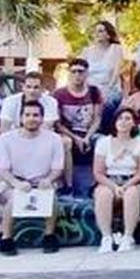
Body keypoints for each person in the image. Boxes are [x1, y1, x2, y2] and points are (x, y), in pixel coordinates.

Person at [0, 99, 64, 256]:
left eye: (36, 115)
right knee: (13, 198)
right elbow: (3, 170)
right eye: (28, 115)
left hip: (43, 181)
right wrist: (16, 183)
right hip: (13, 182)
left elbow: (57, 169)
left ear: (42, 118)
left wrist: (48, 180)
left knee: (49, 195)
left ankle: (49, 235)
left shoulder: (54, 139)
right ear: (20, 118)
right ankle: (6, 238)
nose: (32, 118)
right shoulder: (5, 140)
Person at [92, 106, 140, 253]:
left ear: (134, 123)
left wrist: (125, 186)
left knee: (131, 194)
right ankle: (106, 237)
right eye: (120, 118)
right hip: (109, 180)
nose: (123, 122)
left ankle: (128, 236)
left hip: (132, 180)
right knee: (103, 194)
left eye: (128, 119)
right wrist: (114, 186)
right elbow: (98, 173)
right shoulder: (104, 142)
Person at [53, 58, 104, 194]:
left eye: (80, 71)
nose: (77, 75)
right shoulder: (59, 94)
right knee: (66, 143)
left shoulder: (94, 92)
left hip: (89, 133)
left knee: (102, 142)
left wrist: (87, 137)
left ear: (86, 73)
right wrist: (76, 138)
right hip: (68, 133)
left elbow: (97, 119)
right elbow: (57, 124)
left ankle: (98, 184)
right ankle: (68, 186)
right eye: (73, 71)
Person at [81, 21, 127, 105]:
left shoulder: (116, 49)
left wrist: (106, 91)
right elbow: (81, 72)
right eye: (95, 31)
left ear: (108, 35)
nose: (97, 34)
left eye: (100, 31)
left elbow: (116, 74)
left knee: (107, 102)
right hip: (90, 91)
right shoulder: (86, 51)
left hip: (110, 90)